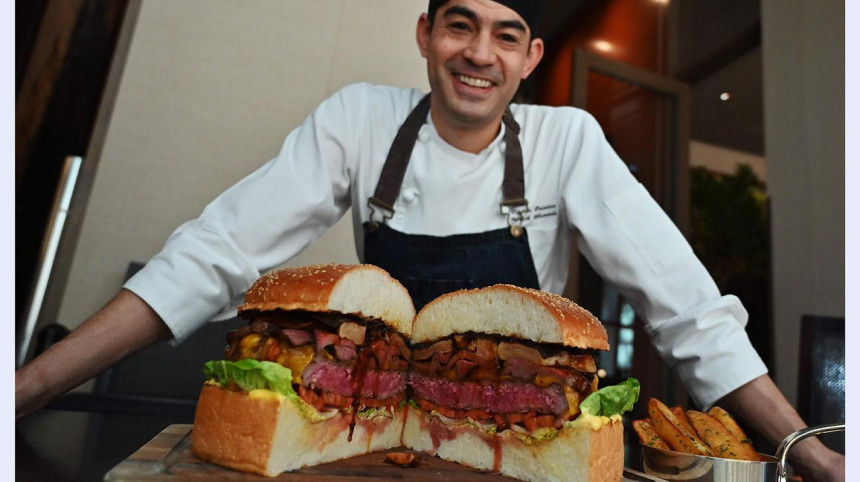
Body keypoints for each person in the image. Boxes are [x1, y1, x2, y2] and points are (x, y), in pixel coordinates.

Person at [16, 1, 844, 480]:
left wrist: (812, 457)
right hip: (370, 430)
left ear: (531, 56)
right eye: (459, 26)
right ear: (424, 34)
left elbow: (687, 310)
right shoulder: (358, 120)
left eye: (505, 34)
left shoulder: (569, 142)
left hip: (523, 452)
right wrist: (32, 386)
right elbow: (214, 254)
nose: (478, 54)